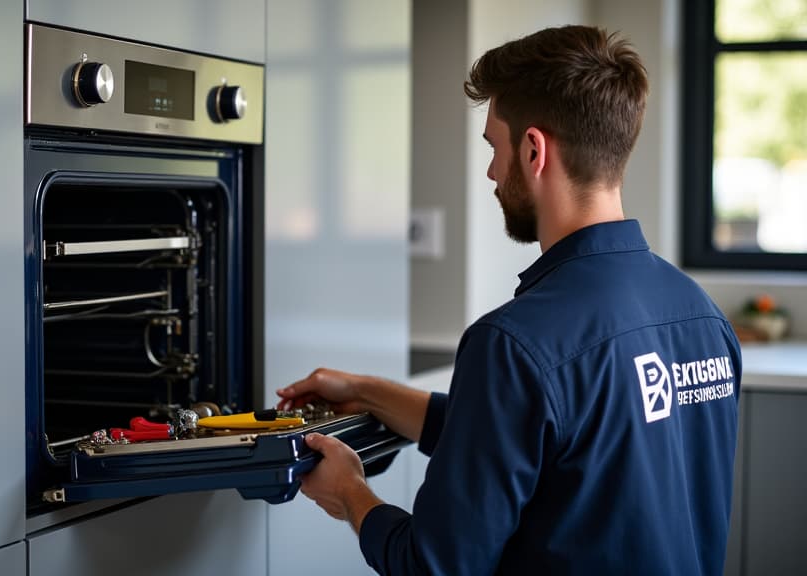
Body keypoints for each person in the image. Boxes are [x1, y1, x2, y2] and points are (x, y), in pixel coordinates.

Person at [276, 25, 741, 575]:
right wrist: (366, 392)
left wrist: (351, 495)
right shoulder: (702, 315)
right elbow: (544, 443)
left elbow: (433, 564)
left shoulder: (516, 343)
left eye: (495, 147)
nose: (494, 172)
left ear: (533, 149)